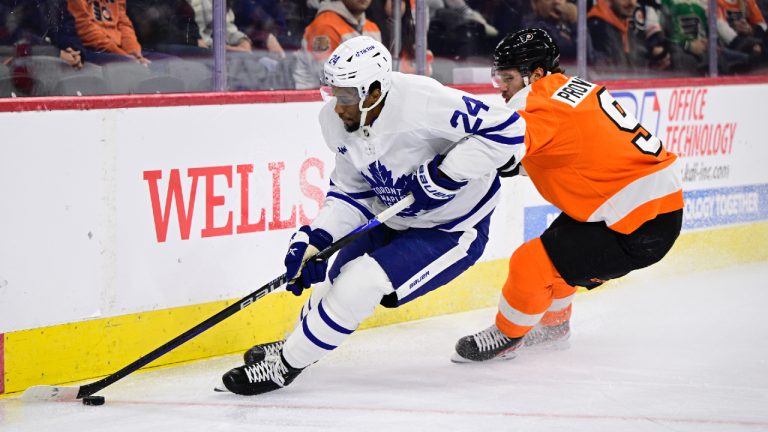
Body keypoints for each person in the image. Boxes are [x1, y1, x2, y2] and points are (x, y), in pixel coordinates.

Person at [219, 35, 527, 395]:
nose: (338, 106)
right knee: (333, 277)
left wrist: (446, 174)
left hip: (452, 228)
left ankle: (285, 366)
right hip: (392, 216)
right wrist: (316, 238)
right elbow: (352, 192)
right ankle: (297, 345)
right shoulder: (334, 121)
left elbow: (509, 130)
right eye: (334, 93)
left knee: (361, 282)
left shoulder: (425, 102)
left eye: (347, 96)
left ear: (375, 90)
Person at [452, 28, 683, 362]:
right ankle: (555, 327)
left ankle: (506, 336)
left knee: (531, 263)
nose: (501, 87)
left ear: (537, 74)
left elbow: (502, 146)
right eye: (498, 77)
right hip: (648, 207)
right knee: (556, 254)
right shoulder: (572, 89)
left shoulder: (539, 100)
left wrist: (451, 165)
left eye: (508, 77)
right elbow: (566, 149)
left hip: (638, 223)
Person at [293, 0, 382, 89]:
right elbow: (328, 78)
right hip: (315, 98)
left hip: (356, 97)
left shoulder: (372, 27)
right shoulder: (325, 26)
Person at [67, 0, 152, 65]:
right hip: (93, 49)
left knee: (161, 63)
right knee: (134, 69)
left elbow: (123, 22)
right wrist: (123, 56)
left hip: (120, 50)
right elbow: (84, 28)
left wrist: (133, 51)